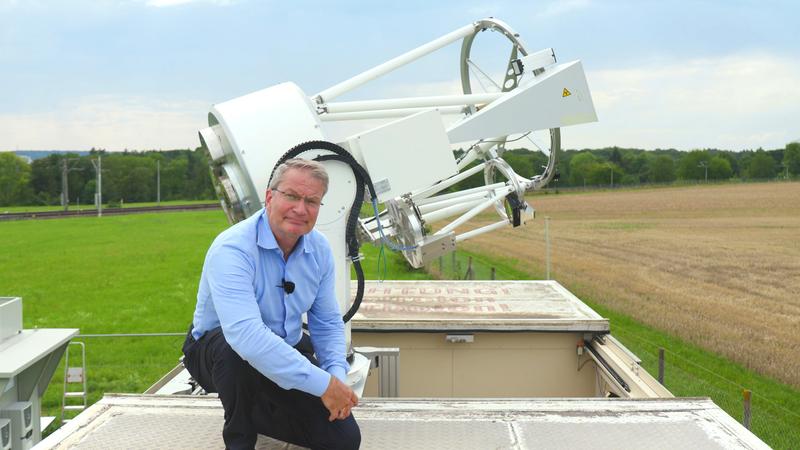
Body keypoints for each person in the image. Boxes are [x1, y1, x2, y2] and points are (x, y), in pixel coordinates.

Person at [182, 158, 361, 450]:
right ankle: (240, 437)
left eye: (312, 201)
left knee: (343, 440)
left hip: (283, 344)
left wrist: (336, 380)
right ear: (269, 197)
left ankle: (261, 407)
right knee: (234, 353)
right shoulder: (233, 249)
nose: (300, 209)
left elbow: (327, 323)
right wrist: (322, 386)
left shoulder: (319, 249)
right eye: (291, 196)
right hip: (217, 353)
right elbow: (246, 336)